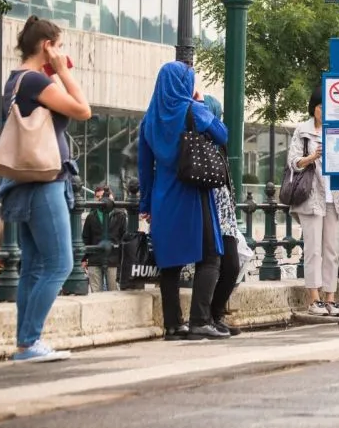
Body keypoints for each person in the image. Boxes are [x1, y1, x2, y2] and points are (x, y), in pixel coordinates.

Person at [0, 16, 92, 362]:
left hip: (25, 184)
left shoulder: (17, 79)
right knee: (60, 264)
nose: (62, 52)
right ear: (47, 45)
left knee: (34, 266)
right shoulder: (34, 79)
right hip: (45, 183)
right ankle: (30, 341)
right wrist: (63, 71)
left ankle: (26, 343)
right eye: (59, 45)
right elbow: (83, 110)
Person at [138, 61, 229, 340]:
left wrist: (146, 205)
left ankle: (173, 325)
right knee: (211, 256)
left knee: (170, 263)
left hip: (163, 196)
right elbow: (223, 135)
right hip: (193, 193)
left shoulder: (149, 119)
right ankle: (200, 320)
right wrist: (199, 103)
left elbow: (144, 167)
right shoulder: (193, 109)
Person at [287, 88, 339, 318]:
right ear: (314, 108)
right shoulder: (303, 130)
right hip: (312, 195)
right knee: (313, 249)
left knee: (332, 249)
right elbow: (293, 162)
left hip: (336, 195)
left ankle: (330, 298)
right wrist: (313, 157)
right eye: (320, 107)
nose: (324, 111)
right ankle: (314, 298)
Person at [202, 95, 242, 336]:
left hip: (225, 215)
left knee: (231, 266)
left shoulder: (219, 143)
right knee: (215, 266)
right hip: (209, 210)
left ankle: (216, 314)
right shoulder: (199, 141)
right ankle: (208, 315)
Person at [81, 185, 127, 292]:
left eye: (103, 196)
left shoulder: (120, 215)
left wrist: (122, 260)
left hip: (113, 259)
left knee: (113, 291)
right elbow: (86, 238)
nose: (101, 199)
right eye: (98, 197)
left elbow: (123, 238)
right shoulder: (91, 216)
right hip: (94, 258)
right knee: (96, 293)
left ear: (112, 197)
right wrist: (83, 259)